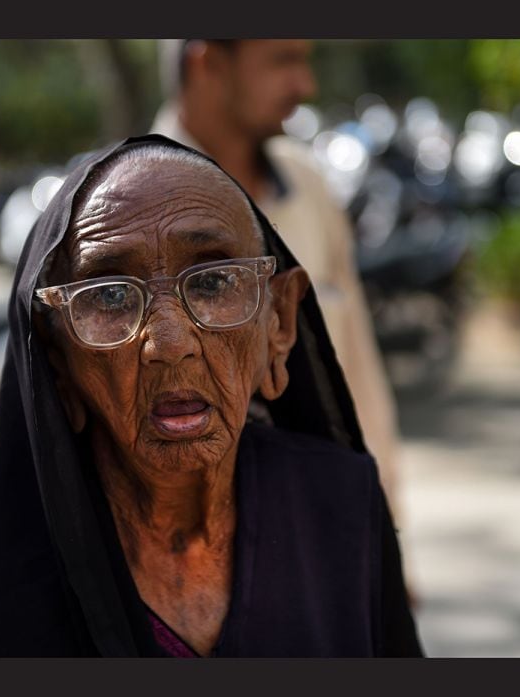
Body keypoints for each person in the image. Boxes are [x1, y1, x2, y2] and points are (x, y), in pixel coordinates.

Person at [0, 135, 422, 657]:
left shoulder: (342, 504)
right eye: (108, 296)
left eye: (215, 283)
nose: (169, 345)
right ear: (57, 361)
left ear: (280, 324)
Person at [151, 39, 404, 511]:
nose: (305, 85)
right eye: (283, 60)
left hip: (327, 528)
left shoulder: (308, 186)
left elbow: (358, 371)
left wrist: (386, 529)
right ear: (208, 64)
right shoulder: (127, 208)